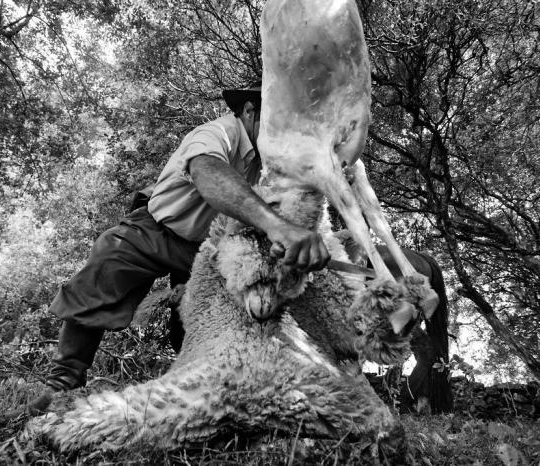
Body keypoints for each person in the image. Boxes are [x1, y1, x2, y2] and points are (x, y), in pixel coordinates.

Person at [44, 82, 331, 391]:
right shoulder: (217, 133)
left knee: (208, 314)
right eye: (279, 120)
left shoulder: (268, 161)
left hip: (204, 250)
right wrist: (276, 226)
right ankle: (63, 380)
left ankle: (204, 384)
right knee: (105, 266)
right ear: (250, 110)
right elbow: (206, 170)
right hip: (155, 228)